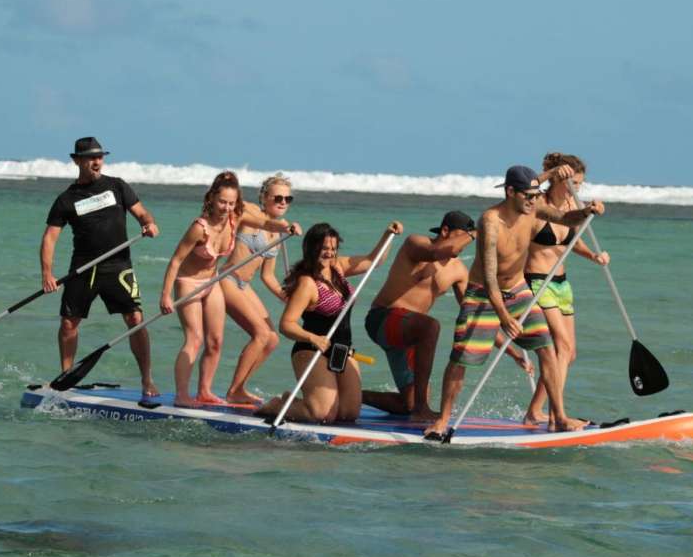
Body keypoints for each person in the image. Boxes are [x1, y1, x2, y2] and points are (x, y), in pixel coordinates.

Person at [424, 164, 605, 438]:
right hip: (483, 293)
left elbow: (565, 219)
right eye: (528, 196)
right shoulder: (490, 221)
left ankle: (559, 417)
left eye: (536, 195)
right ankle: (443, 419)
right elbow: (488, 275)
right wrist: (504, 317)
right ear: (510, 192)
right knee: (462, 358)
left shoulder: (533, 209)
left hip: (518, 289)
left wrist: (587, 211)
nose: (534, 201)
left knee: (547, 349)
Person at [361, 211, 534, 422]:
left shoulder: (459, 271)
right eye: (462, 238)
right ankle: (422, 409)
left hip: (410, 335)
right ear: (445, 231)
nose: (464, 246)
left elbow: (476, 318)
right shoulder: (416, 244)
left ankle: (355, 395)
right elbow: (435, 253)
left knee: (407, 403)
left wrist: (513, 352)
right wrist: (477, 232)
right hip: (382, 320)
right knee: (431, 327)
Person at [159, 171, 297, 407]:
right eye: (222, 202)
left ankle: (206, 391)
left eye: (231, 203)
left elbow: (265, 233)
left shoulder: (236, 219)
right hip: (196, 282)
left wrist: (286, 227)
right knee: (195, 339)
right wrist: (165, 295)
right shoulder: (205, 225)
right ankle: (183, 395)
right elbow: (175, 261)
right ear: (212, 198)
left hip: (214, 282)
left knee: (220, 341)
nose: (226, 207)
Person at [41, 137, 160, 394]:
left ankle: (147, 380)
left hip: (118, 265)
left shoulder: (117, 186)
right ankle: (66, 378)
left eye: (100, 157)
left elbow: (142, 213)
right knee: (68, 323)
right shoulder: (66, 199)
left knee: (136, 319)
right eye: (90, 158)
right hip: (84, 268)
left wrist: (148, 223)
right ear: (77, 161)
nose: (97, 162)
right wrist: (47, 274)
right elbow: (50, 238)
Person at [257, 221, 402, 424]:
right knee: (323, 415)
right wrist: (312, 338)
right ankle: (277, 406)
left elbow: (373, 261)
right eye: (324, 248)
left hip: (342, 349)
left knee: (348, 414)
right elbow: (287, 324)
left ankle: (296, 400)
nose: (329, 253)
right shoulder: (307, 283)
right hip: (311, 350)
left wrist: (388, 235)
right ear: (312, 248)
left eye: (333, 249)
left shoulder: (338, 267)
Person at [523, 153, 611, 424]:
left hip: (562, 284)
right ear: (559, 178)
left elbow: (571, 243)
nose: (577, 187)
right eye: (572, 181)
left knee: (569, 353)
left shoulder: (575, 203)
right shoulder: (538, 201)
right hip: (537, 281)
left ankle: (535, 411)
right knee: (560, 345)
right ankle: (555, 416)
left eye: (581, 183)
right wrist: (548, 175)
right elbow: (528, 186)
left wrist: (594, 256)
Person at [219, 173, 297, 405]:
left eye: (288, 199)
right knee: (261, 334)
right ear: (264, 197)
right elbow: (244, 216)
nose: (283, 202)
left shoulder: (279, 231)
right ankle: (233, 391)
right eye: (278, 197)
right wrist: (281, 226)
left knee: (272, 339)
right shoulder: (251, 210)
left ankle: (240, 387)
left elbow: (268, 276)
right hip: (227, 279)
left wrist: (288, 298)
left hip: (245, 285)